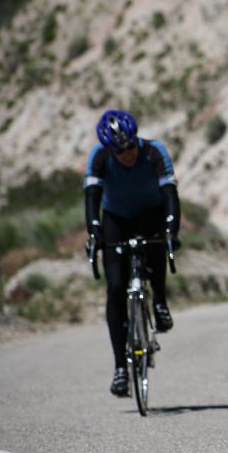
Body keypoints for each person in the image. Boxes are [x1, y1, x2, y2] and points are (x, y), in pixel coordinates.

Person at [84, 110, 181, 397]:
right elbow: (91, 199)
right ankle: (120, 369)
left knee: (157, 246)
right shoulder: (99, 157)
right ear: (110, 149)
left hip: (151, 213)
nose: (126, 154)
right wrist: (94, 232)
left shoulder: (154, 152)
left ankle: (160, 301)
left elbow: (170, 195)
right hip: (116, 219)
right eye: (119, 150)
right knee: (115, 288)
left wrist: (171, 230)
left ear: (136, 139)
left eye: (129, 147)